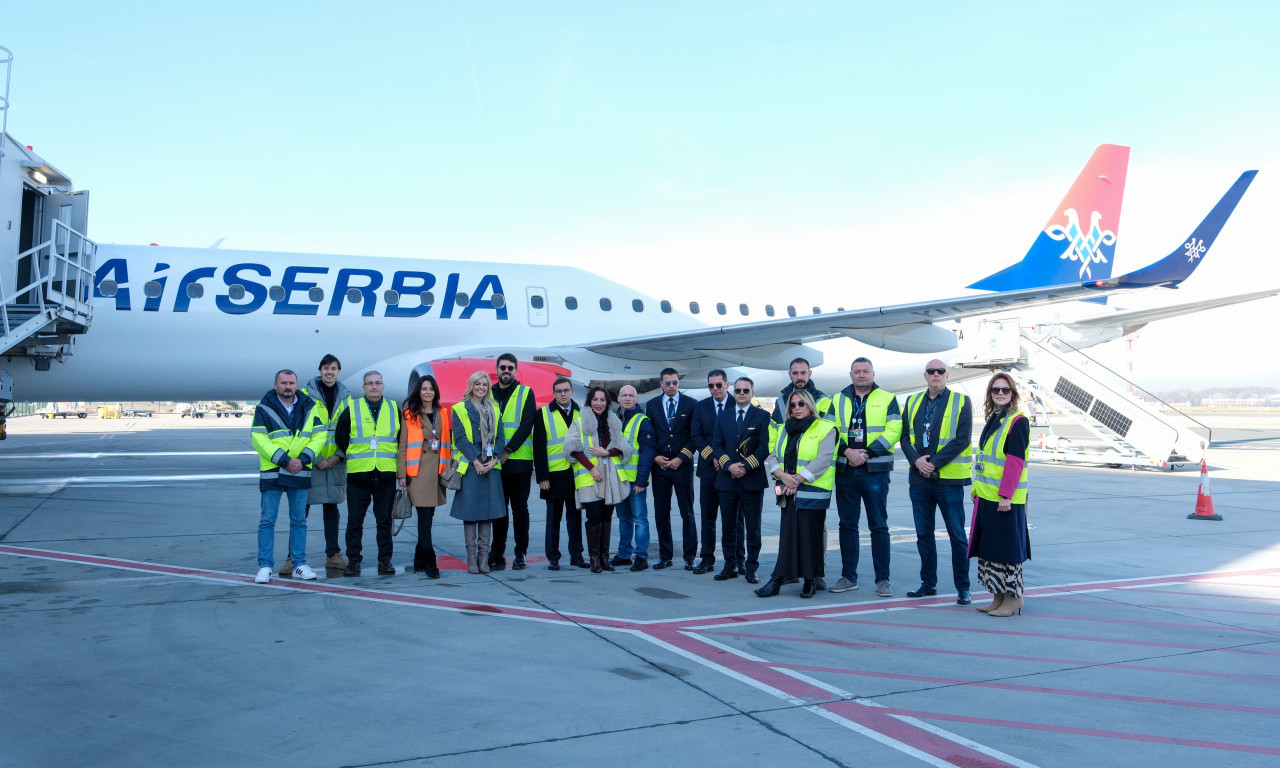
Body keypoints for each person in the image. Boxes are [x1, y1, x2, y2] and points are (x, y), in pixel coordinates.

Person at [899, 360, 974, 604]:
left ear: (947, 376)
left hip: (948, 480)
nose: (936, 375)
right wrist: (916, 461)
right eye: (931, 371)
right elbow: (905, 437)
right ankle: (928, 583)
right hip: (919, 480)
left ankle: (963, 587)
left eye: (940, 371)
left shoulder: (962, 401)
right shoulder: (912, 401)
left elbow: (962, 439)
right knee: (923, 534)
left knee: (956, 536)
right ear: (925, 376)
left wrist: (934, 463)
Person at [829, 357, 902, 598]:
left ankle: (883, 579)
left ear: (873, 373)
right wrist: (847, 451)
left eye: (866, 371)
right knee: (847, 525)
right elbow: (828, 431)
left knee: (878, 526)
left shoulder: (888, 399)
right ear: (851, 375)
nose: (861, 375)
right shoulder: (837, 400)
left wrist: (867, 453)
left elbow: (894, 431)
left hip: (875, 471)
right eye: (857, 371)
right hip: (846, 469)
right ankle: (848, 576)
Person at [755, 389, 838, 598]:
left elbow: (823, 460)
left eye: (801, 403)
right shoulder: (785, 428)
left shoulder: (826, 428)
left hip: (812, 491)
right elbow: (773, 455)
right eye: (793, 405)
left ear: (810, 404)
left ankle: (809, 580)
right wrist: (782, 475)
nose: (797, 408)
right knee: (788, 536)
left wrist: (797, 479)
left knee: (810, 537)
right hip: (786, 490)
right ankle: (780, 577)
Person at [250, 369, 326, 583]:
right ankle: (265, 566)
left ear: (296, 385)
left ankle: (299, 564)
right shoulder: (263, 408)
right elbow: (258, 438)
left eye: (291, 383)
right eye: (283, 383)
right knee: (267, 521)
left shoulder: (309, 407)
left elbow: (320, 435)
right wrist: (285, 460)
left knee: (299, 521)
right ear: (275, 385)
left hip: (299, 469)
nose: (287, 386)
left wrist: (302, 459)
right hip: (273, 470)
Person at [969, 373, 1031, 617]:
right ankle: (997, 596)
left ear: (1013, 394)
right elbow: (986, 460)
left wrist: (1006, 495)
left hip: (1005, 500)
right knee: (991, 550)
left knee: (1007, 551)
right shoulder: (994, 418)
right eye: (996, 390)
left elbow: (1015, 462)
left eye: (1005, 390)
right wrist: (977, 490)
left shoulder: (1017, 422)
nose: (1000, 393)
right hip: (987, 496)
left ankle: (1013, 598)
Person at [769, 357, 832, 590]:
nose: (799, 377)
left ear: (810, 373)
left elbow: (822, 438)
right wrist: (781, 474)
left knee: (815, 528)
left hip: (809, 480)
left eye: (803, 372)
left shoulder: (823, 399)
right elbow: (774, 436)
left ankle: (815, 573)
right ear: (789, 375)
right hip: (783, 478)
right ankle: (789, 570)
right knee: (787, 524)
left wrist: (797, 478)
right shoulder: (781, 399)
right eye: (795, 373)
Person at [335, 371, 401, 576]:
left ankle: (385, 561)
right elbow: (341, 437)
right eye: (369, 383)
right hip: (358, 475)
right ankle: (354, 560)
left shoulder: (394, 409)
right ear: (363, 387)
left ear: (383, 386)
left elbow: (401, 439)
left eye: (377, 383)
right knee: (355, 520)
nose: (374, 387)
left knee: (385, 521)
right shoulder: (352, 408)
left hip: (385, 474)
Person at [565, 387, 634, 573]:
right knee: (593, 517)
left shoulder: (614, 422)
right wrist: (592, 468)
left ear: (607, 402)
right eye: (595, 399)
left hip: (610, 478)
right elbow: (573, 448)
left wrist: (607, 452)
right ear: (589, 401)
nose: (599, 403)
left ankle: (605, 558)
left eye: (602, 400)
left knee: (606, 517)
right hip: (589, 477)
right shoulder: (579, 422)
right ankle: (594, 558)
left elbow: (625, 448)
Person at [711, 377, 771, 583]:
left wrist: (745, 466)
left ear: (752, 393)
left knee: (753, 526)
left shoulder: (763, 416)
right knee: (728, 525)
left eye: (746, 390)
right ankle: (730, 564)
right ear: (733, 392)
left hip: (751, 478)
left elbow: (764, 446)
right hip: (727, 479)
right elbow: (716, 444)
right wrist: (729, 466)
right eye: (738, 390)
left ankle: (751, 567)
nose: (742, 393)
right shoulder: (724, 416)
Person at [449, 371, 507, 574]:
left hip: (490, 466)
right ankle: (471, 559)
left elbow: (500, 437)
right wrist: (476, 461)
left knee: (488, 513)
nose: (481, 387)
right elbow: (460, 438)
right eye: (477, 384)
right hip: (471, 465)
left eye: (484, 384)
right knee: (471, 513)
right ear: (471, 386)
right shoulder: (459, 408)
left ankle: (484, 559)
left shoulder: (495, 408)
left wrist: (494, 459)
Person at [300, 354, 352, 573]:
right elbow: (299, 430)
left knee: (332, 509)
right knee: (301, 510)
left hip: (336, 462)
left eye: (334, 368)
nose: (330, 372)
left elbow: (352, 431)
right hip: (311, 461)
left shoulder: (347, 398)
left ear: (339, 371)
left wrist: (338, 455)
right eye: (326, 368)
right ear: (319, 370)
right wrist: (318, 458)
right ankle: (293, 557)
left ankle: (333, 554)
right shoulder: (304, 395)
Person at [397, 374, 450, 579]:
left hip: (437, 473)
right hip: (417, 474)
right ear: (418, 391)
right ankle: (430, 560)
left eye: (431, 389)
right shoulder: (410, 414)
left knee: (429, 518)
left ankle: (418, 559)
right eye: (424, 388)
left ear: (435, 392)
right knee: (424, 518)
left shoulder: (442, 413)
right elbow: (403, 446)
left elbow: (447, 441)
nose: (427, 392)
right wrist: (401, 474)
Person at [645, 368, 698, 570]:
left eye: (675, 382)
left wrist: (681, 458)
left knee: (687, 512)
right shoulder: (651, 405)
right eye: (667, 383)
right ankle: (665, 555)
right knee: (661, 512)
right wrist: (656, 457)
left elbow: (694, 436)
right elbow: (649, 435)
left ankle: (689, 557)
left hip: (682, 466)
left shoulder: (691, 404)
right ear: (661, 384)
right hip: (659, 467)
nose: (672, 386)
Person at [533, 377, 587, 570]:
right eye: (559, 391)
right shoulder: (543, 414)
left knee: (575, 519)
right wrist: (542, 477)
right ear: (554, 393)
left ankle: (577, 555)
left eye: (566, 390)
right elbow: (538, 448)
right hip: (554, 476)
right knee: (553, 520)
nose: (563, 394)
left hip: (576, 474)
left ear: (572, 391)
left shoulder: (583, 413)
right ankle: (553, 557)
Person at [491, 353, 537, 571]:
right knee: (499, 511)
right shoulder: (488, 393)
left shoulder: (526, 393)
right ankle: (497, 551)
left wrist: (508, 450)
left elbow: (526, 425)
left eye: (510, 368)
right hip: (495, 464)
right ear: (497, 369)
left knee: (520, 510)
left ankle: (521, 553)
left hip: (519, 463)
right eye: (503, 367)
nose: (506, 371)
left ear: (516, 371)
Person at [690, 369, 732, 574]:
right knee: (708, 517)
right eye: (710, 385)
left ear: (727, 384)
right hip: (708, 470)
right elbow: (696, 435)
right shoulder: (701, 407)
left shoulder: (737, 403)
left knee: (733, 519)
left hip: (731, 471)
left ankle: (735, 560)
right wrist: (712, 457)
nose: (714, 389)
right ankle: (707, 559)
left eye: (718, 385)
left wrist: (724, 460)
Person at [614, 385, 655, 571]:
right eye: (624, 395)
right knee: (624, 519)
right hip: (618, 479)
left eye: (631, 395)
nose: (628, 398)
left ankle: (641, 556)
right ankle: (624, 554)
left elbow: (647, 452)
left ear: (636, 399)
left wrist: (641, 481)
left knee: (639, 519)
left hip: (634, 481)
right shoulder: (614, 419)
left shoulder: (642, 421)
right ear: (618, 398)